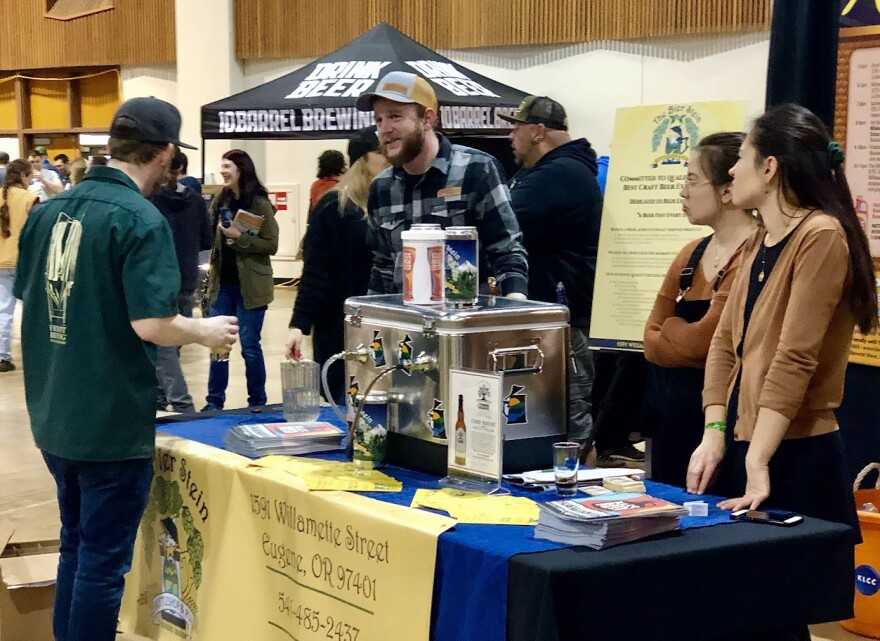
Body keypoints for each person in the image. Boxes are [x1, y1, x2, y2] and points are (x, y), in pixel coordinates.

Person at [13, 96, 238, 641]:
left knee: (76, 545)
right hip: (109, 422)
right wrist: (204, 330)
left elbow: (27, 303)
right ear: (163, 153)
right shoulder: (139, 218)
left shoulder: (47, 212)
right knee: (101, 563)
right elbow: (152, 324)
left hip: (52, 412)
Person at [687, 103, 876, 537]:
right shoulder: (759, 240)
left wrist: (758, 458)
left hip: (794, 454)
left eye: (741, 158)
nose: (732, 170)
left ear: (769, 167)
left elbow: (795, 358)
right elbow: (723, 345)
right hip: (747, 446)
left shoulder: (820, 235)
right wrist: (714, 432)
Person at [643, 132, 759, 487]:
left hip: (723, 418)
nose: (683, 192)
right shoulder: (691, 253)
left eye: (692, 181)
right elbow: (648, 341)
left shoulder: (755, 253)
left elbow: (706, 344)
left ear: (727, 190)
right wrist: (681, 336)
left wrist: (673, 329)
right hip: (671, 418)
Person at [356, 71, 528, 299]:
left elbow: (507, 251)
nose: (384, 129)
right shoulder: (382, 187)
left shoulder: (476, 169)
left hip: (468, 322)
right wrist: (374, 324)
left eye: (395, 116)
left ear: (427, 119)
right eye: (379, 120)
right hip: (408, 328)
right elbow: (383, 267)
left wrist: (515, 301)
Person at [502, 95, 603, 457]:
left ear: (538, 131)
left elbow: (500, 224)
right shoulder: (555, 172)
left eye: (516, 126)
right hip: (556, 323)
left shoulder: (559, 176)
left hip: (564, 327)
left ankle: (584, 499)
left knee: (569, 429)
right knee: (560, 423)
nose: (510, 134)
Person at [285, 128, 389, 403]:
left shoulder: (391, 201)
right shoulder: (335, 206)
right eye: (380, 152)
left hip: (383, 327)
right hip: (340, 329)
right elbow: (315, 272)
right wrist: (298, 324)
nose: (389, 157)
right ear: (363, 159)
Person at [203, 148, 279, 410]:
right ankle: (214, 402)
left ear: (240, 170)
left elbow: (271, 244)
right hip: (222, 285)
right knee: (219, 346)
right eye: (222, 166)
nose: (223, 171)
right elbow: (209, 234)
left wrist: (239, 237)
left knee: (249, 346)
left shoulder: (259, 202)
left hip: (252, 287)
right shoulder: (220, 199)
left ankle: (257, 401)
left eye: (227, 166)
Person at [152, 148, 214, 412]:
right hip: (187, 278)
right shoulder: (197, 201)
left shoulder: (151, 201)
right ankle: (157, 397)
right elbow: (206, 240)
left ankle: (180, 402)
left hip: (160, 277)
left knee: (163, 344)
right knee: (172, 344)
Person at [0, 160, 38, 372]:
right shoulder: (30, 199)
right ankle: (36, 354)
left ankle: (1, 356)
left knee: (3, 311)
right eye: (31, 176)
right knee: (32, 311)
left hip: (0, 261)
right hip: (25, 260)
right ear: (24, 176)